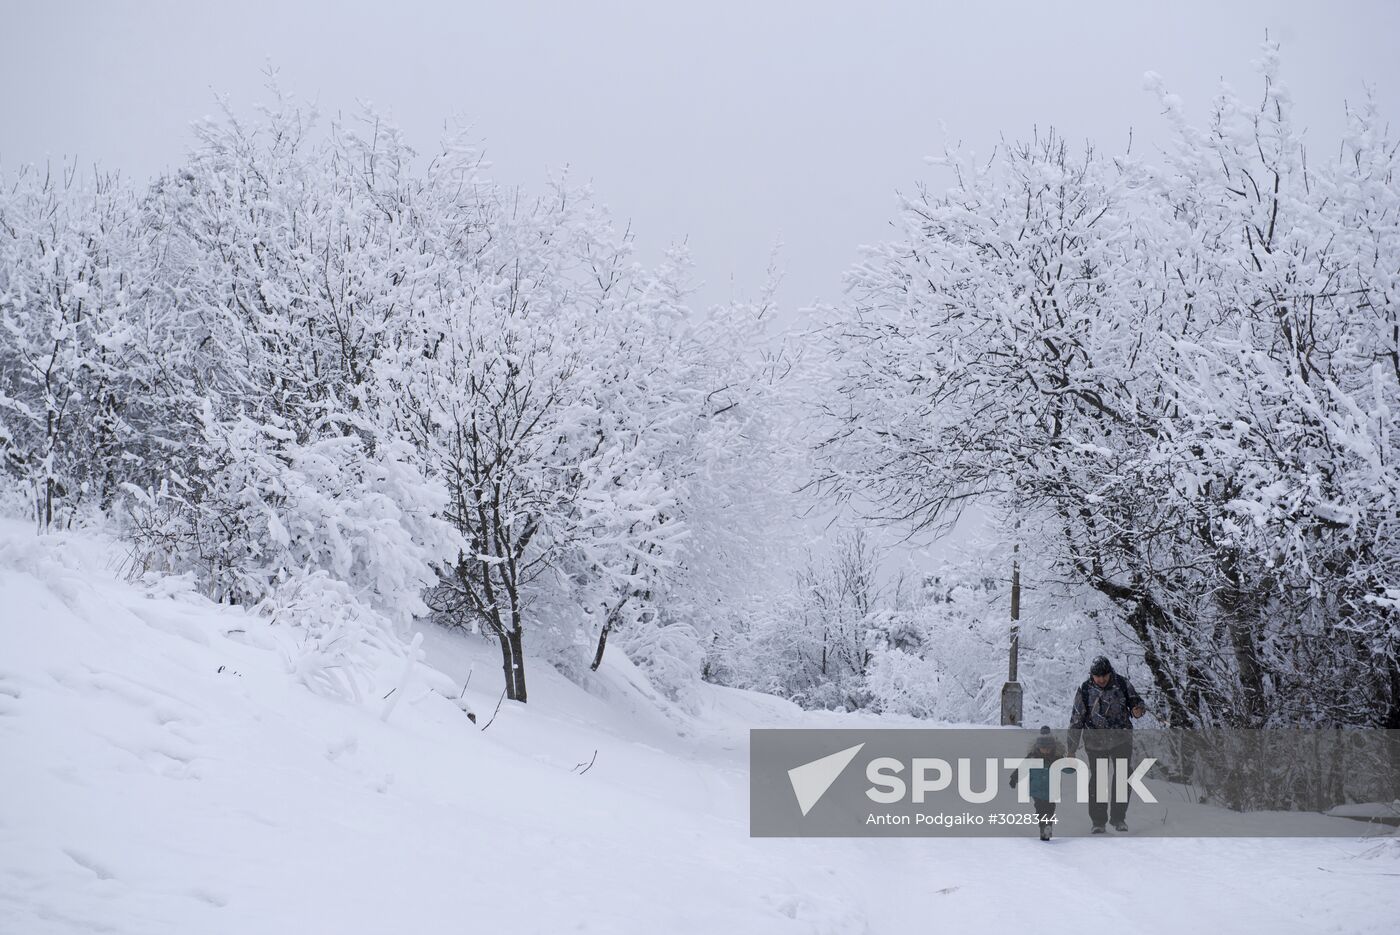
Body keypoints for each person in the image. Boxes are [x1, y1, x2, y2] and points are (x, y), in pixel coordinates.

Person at [1066, 656, 1145, 833]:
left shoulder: (1122, 684)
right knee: (1099, 779)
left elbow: (1136, 702)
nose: (1101, 679)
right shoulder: (1085, 689)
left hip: (1121, 737)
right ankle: (1098, 821)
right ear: (1092, 675)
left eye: (1104, 676)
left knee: (1124, 775)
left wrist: (1138, 710)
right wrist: (1071, 749)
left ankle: (1118, 818)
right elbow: (1076, 719)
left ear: (1110, 673)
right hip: (1095, 741)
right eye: (1097, 676)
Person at [1009, 726, 1064, 841]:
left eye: (1048, 749)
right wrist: (1014, 778)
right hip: (1037, 790)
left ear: (1052, 748)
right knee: (1040, 810)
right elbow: (1023, 768)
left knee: (1050, 810)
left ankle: (1047, 827)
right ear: (1038, 747)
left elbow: (1067, 767)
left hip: (1051, 790)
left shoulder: (1056, 758)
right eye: (1043, 748)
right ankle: (1044, 828)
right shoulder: (1033, 757)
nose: (1046, 751)